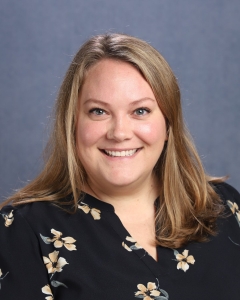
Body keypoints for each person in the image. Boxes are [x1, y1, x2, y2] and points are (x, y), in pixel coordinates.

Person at [0, 33, 239, 300]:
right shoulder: (21, 232)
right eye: (98, 111)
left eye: (140, 111)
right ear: (73, 124)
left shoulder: (225, 209)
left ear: (168, 125)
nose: (119, 133)